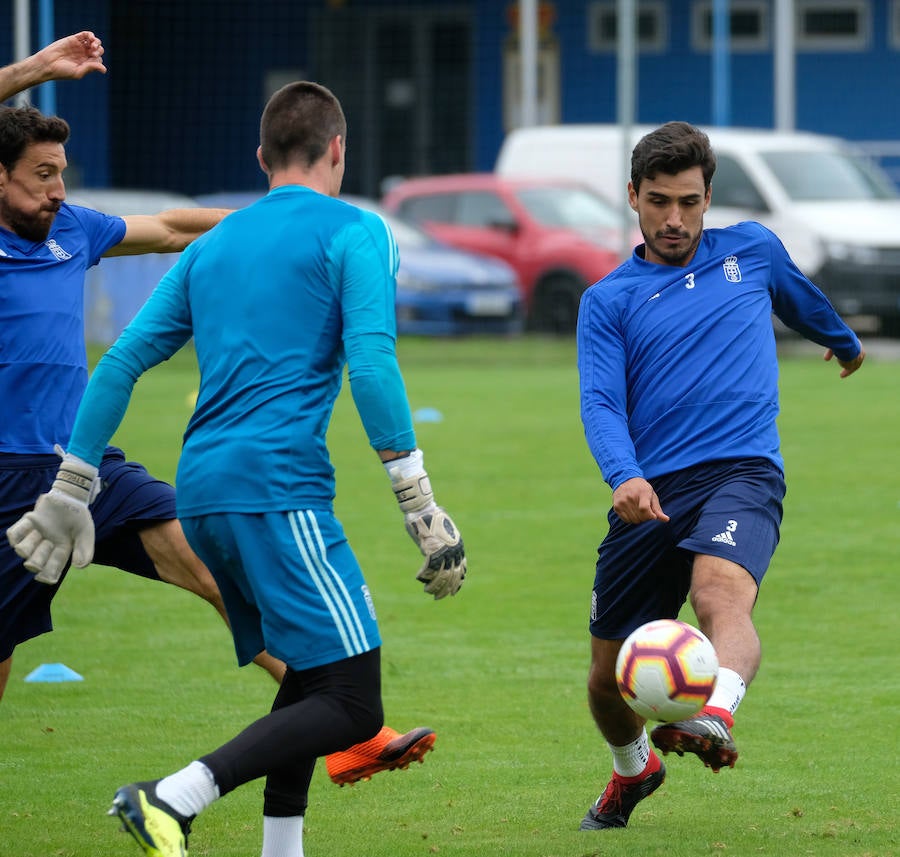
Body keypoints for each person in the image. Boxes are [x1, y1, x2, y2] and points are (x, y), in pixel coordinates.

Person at [8, 79, 467, 857]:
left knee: (313, 679)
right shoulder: (357, 231)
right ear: (338, 150)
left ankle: (279, 850)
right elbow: (373, 362)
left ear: (260, 158)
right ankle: (170, 797)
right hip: (278, 491)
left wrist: (71, 487)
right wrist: (420, 504)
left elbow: (119, 362)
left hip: (206, 492)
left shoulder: (214, 243)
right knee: (354, 703)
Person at [575, 120, 865, 831]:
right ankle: (634, 768)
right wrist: (625, 474)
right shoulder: (608, 300)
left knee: (719, 596)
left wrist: (844, 342)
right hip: (651, 493)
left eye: (690, 202)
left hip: (744, 470)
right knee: (608, 684)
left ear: (709, 197)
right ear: (633, 198)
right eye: (659, 202)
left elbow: (802, 298)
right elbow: (602, 402)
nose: (675, 219)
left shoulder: (752, 251)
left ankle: (713, 712)